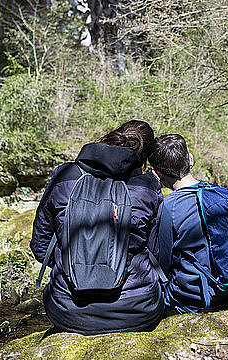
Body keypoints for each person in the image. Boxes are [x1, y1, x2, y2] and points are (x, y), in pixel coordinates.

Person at [30, 120, 164, 335]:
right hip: (138, 309)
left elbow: (40, 246)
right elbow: (158, 253)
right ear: (145, 157)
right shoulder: (147, 187)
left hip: (67, 309)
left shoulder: (65, 176)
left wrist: (77, 263)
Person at [148, 134, 228, 314]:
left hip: (198, 297)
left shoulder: (170, 206)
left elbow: (164, 262)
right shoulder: (220, 192)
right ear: (190, 160)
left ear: (158, 174)